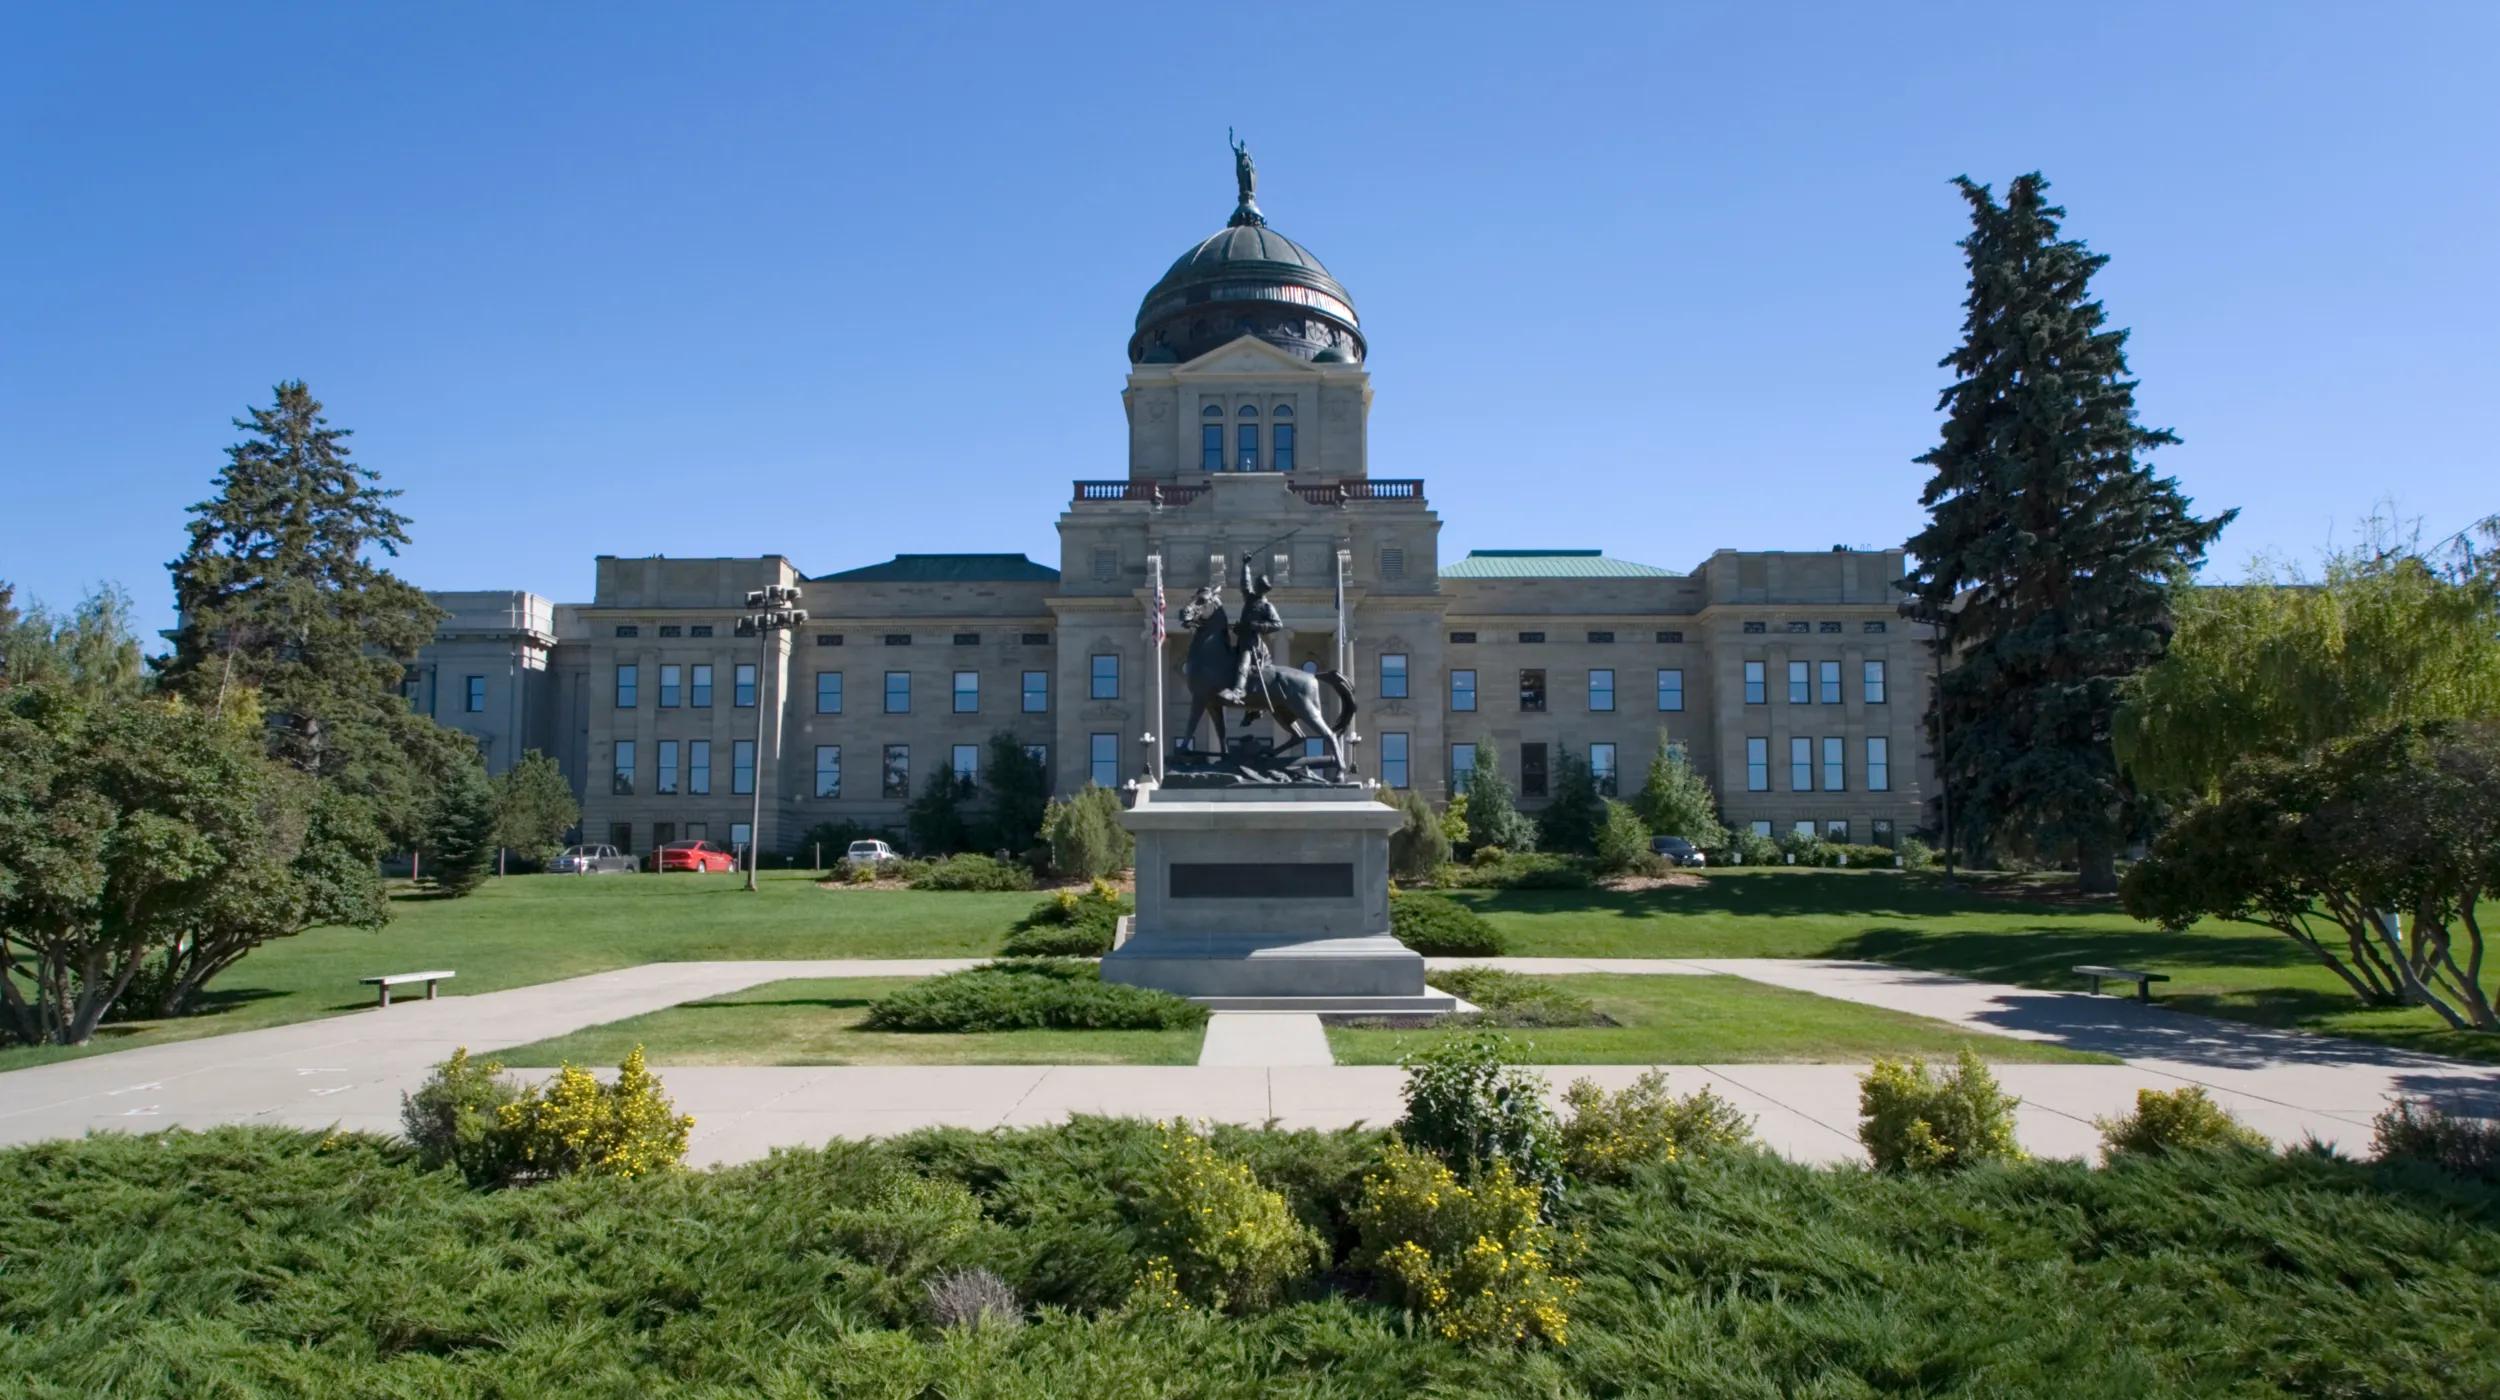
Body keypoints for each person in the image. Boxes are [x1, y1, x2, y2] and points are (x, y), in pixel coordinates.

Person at [1219, 552, 1281, 704]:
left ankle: (1238, 692)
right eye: (1257, 585)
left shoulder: (1267, 606)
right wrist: (1245, 565)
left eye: (1259, 586)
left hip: (1253, 643)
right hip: (1242, 639)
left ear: (1264, 589)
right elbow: (1244, 584)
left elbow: (1278, 624)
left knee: (1243, 663)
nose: (1256, 587)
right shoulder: (1250, 598)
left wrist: (1257, 626)